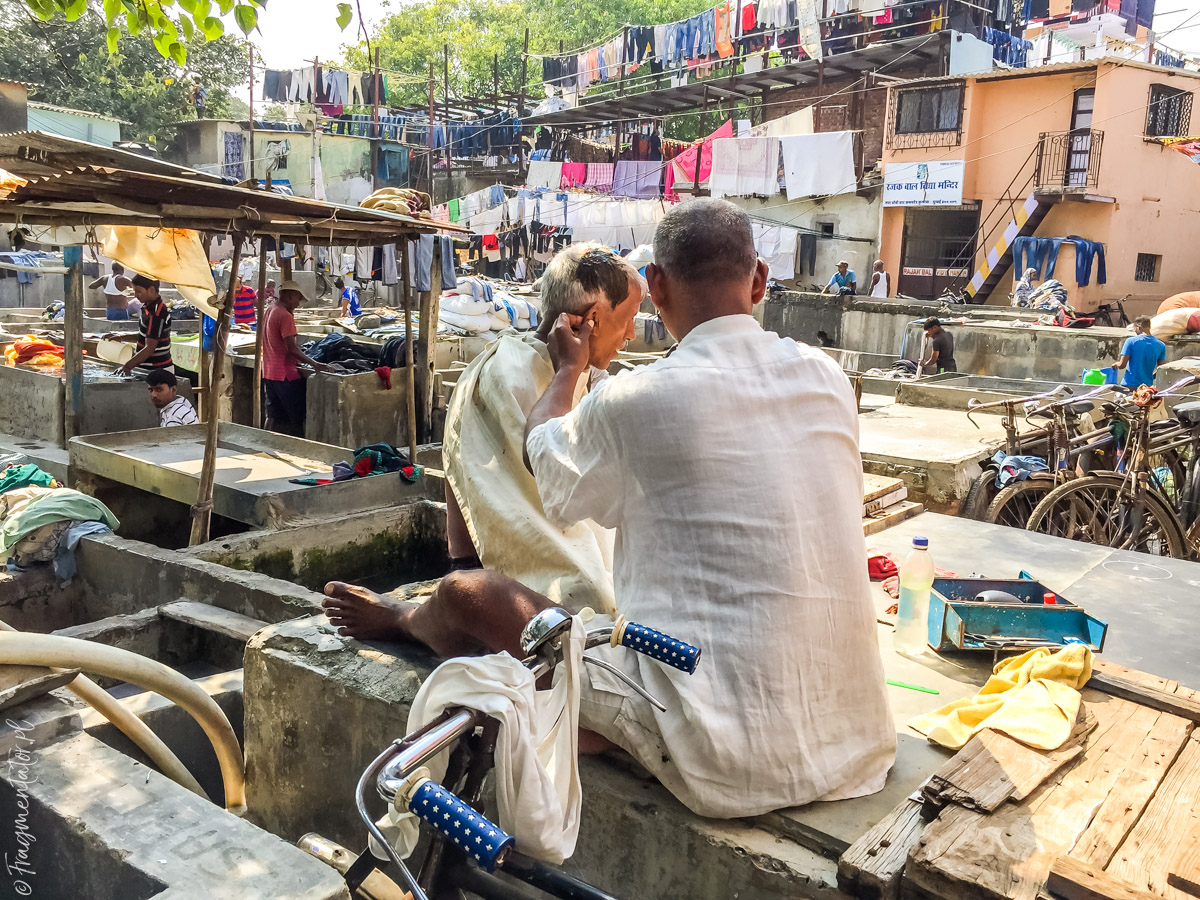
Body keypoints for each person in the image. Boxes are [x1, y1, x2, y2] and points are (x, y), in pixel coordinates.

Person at [325, 200, 895, 819]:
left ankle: (409, 618)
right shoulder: (828, 377)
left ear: (654, 286)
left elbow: (549, 474)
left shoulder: (633, 398)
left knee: (470, 591)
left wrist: (568, 372)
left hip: (726, 751)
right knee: (564, 656)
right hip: (857, 743)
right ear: (759, 280)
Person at [324, 243, 643, 638]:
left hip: (576, 553)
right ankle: (405, 620)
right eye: (628, 319)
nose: (631, 334)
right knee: (563, 600)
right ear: (592, 318)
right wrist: (567, 374)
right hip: (500, 569)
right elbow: (528, 507)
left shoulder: (588, 377)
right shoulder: (507, 372)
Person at [261, 279, 329, 435]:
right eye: (298, 299)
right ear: (290, 295)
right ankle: (297, 448)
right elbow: (292, 348)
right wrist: (315, 364)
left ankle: (264, 443)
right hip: (286, 375)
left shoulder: (270, 309)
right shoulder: (285, 316)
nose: (298, 304)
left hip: (269, 372)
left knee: (273, 415)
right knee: (296, 417)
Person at [118, 275, 173, 375]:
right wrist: (121, 338)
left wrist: (127, 366)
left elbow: (149, 348)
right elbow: (146, 336)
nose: (135, 295)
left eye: (138, 291)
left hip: (157, 370)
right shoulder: (147, 308)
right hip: (148, 368)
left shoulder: (156, 314)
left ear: (151, 290)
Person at [1114, 315, 1166, 388]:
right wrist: (1149, 377)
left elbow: (1122, 365)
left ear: (1138, 327)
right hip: (1146, 387)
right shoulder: (1161, 345)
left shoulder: (1131, 341)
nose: (1135, 331)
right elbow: (1161, 369)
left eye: (1135, 329)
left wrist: (1116, 364)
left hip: (1129, 385)